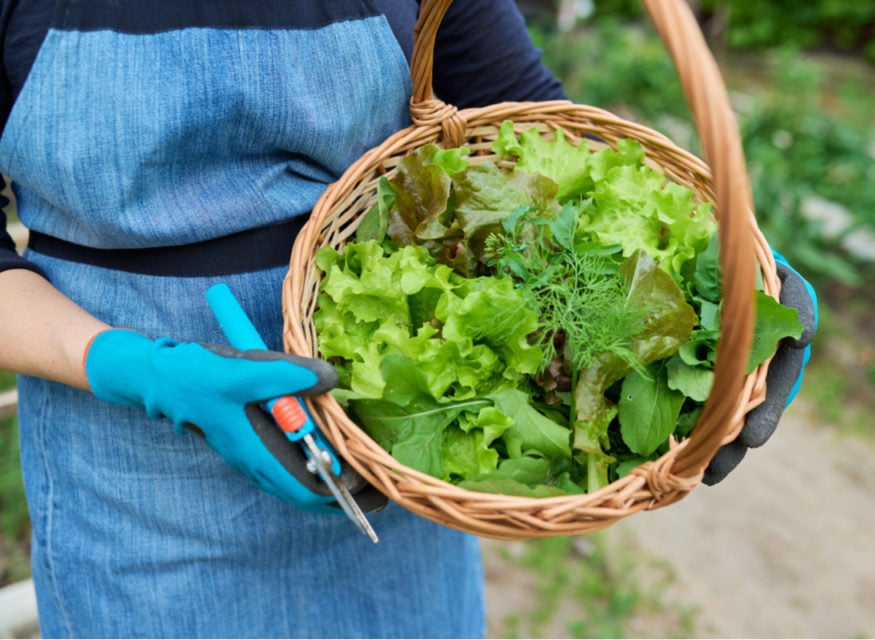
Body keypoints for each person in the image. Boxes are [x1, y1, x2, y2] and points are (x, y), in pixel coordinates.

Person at [0, 0, 817, 637]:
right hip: (139, 487)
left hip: (384, 460)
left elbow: (530, 123)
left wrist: (724, 266)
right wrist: (130, 367)